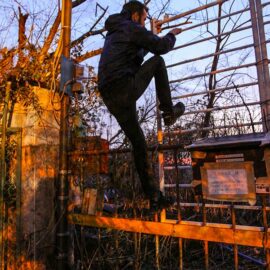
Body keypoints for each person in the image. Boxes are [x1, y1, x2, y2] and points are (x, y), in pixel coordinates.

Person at [98, 0, 185, 210]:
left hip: (111, 96)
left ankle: (154, 197)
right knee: (158, 62)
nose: (145, 24)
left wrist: (153, 34)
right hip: (123, 87)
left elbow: (136, 53)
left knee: (139, 144)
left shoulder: (117, 30)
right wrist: (171, 34)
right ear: (135, 15)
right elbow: (160, 47)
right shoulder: (131, 27)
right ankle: (168, 112)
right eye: (144, 19)